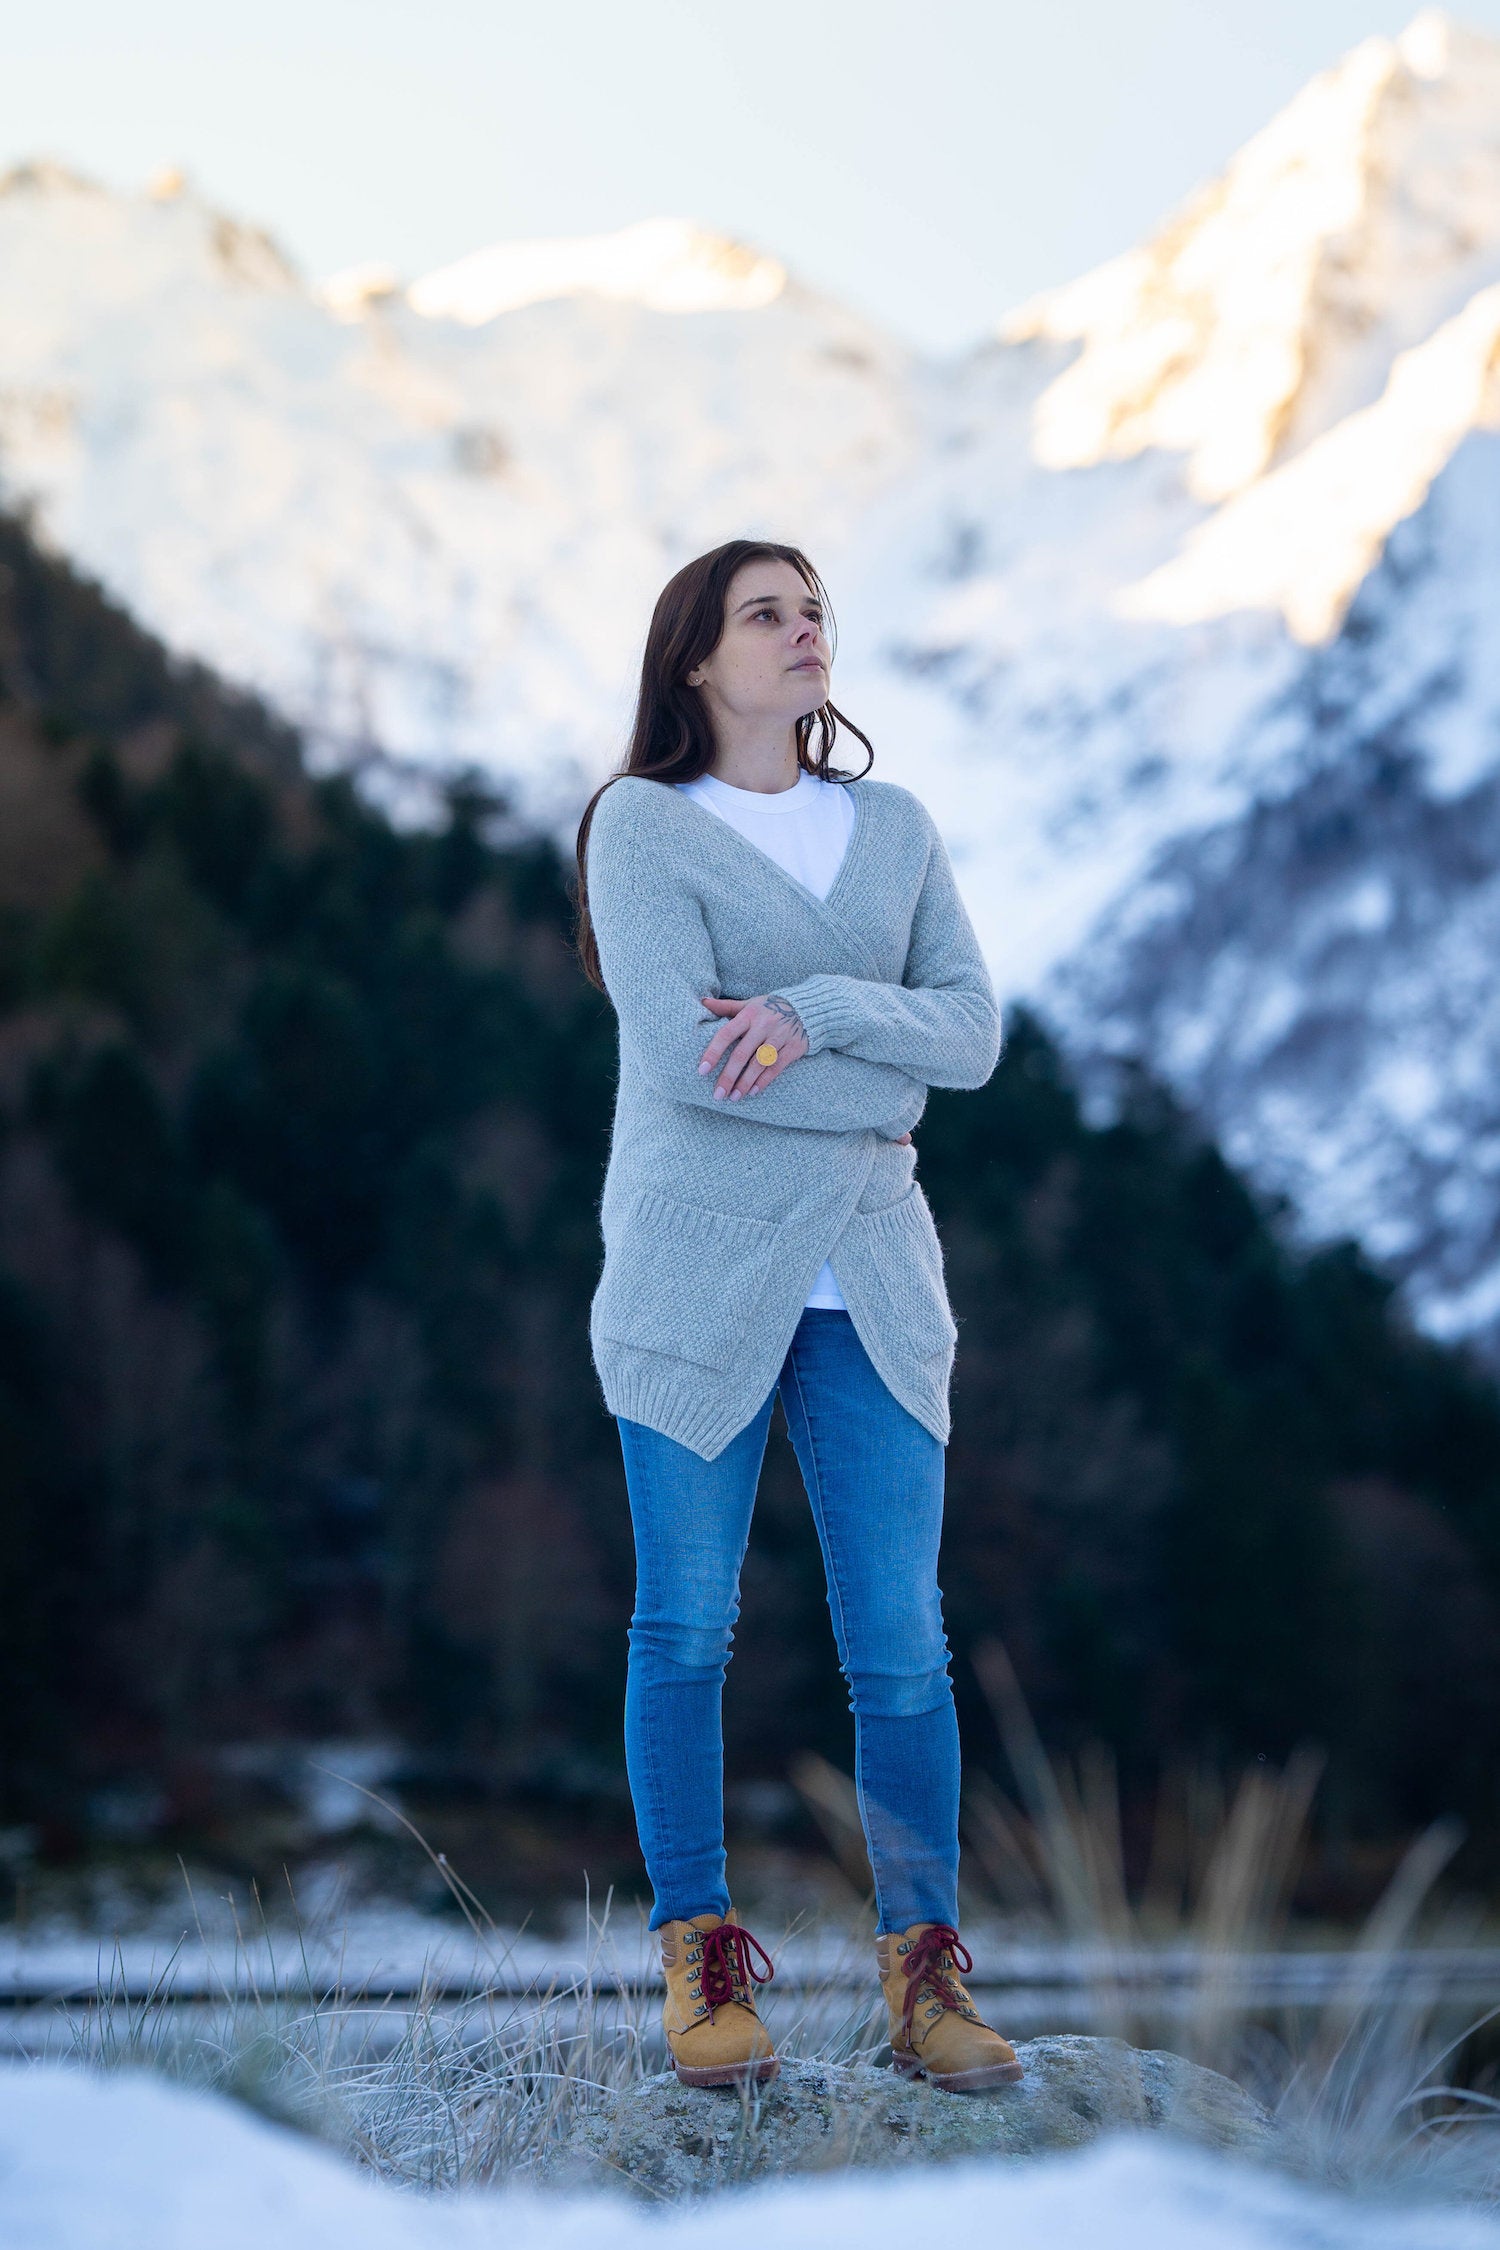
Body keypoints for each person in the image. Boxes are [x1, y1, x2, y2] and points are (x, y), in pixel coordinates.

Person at [573, 539, 1020, 2094]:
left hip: (877, 1286)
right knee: (685, 1624)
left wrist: (820, 1018)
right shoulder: (641, 827)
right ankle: (701, 1960)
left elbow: (969, 1037)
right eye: (767, 612)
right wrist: (883, 1075)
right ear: (698, 656)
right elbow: (694, 1057)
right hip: (696, 1276)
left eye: (817, 605)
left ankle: (926, 1975)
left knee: (903, 1645)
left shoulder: (892, 827)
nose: (805, 628)